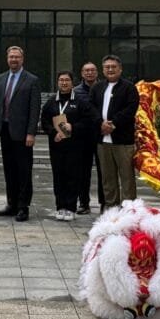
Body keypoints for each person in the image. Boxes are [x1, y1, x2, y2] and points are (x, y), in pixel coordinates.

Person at [0, 46, 42, 222]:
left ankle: (23, 206)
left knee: (23, 170)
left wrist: (31, 133)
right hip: (5, 130)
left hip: (23, 134)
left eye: (17, 57)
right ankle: (11, 204)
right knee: (9, 169)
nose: (14, 60)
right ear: (7, 58)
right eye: (11, 57)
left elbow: (34, 109)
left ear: (22, 59)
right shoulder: (1, 78)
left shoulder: (32, 80)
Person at [41, 71, 97, 221]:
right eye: (61, 80)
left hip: (75, 146)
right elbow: (44, 121)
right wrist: (53, 133)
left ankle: (71, 207)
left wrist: (74, 127)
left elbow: (89, 120)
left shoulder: (79, 101)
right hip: (57, 145)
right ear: (57, 82)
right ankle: (60, 207)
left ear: (72, 83)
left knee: (73, 176)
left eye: (67, 80)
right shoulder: (51, 102)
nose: (64, 83)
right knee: (58, 176)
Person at [91, 55, 140, 209]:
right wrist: (100, 123)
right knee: (107, 178)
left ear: (120, 69)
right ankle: (111, 208)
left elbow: (130, 109)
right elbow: (90, 108)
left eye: (113, 67)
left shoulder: (129, 88)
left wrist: (113, 123)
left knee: (127, 178)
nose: (110, 69)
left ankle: (128, 210)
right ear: (103, 70)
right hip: (102, 140)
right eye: (107, 67)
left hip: (123, 141)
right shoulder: (97, 87)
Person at [73, 61, 103, 214]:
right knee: (82, 172)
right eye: (86, 71)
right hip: (82, 137)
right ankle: (84, 203)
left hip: (102, 136)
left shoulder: (104, 88)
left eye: (92, 70)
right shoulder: (76, 92)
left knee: (103, 171)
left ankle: (104, 203)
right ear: (82, 73)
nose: (89, 73)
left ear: (97, 73)